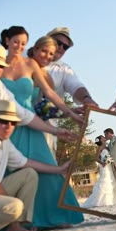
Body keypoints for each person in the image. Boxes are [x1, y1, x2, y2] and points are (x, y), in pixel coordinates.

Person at [0, 26, 84, 229]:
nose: (19, 46)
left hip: (31, 124)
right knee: (10, 169)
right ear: (7, 41)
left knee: (45, 165)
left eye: (23, 43)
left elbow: (50, 93)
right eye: (16, 41)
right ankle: (14, 222)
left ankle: (56, 216)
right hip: (5, 125)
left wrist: (71, 113)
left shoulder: (30, 64)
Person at [0, 100, 81, 231]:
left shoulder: (4, 142)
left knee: (29, 174)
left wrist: (59, 169)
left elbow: (25, 163)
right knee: (14, 207)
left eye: (13, 123)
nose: (8, 126)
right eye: (4, 121)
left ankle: (17, 226)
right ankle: (15, 223)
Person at [0, 44, 78, 143]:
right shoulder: (11, 74)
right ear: (34, 50)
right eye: (44, 51)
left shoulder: (46, 79)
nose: (46, 56)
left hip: (27, 124)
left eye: (51, 53)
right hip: (3, 124)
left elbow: (45, 109)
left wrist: (71, 112)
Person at [45, 27, 98, 155]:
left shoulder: (64, 70)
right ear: (48, 40)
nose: (61, 48)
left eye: (66, 47)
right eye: (59, 43)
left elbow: (76, 86)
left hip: (45, 132)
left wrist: (87, 99)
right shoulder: (24, 59)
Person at [82, 135, 116, 208]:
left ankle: (111, 199)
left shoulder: (108, 147)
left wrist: (110, 160)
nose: (104, 137)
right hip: (104, 166)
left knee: (111, 179)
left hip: (109, 166)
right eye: (102, 137)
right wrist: (102, 163)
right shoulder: (100, 148)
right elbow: (96, 158)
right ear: (101, 140)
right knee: (105, 180)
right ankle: (102, 200)